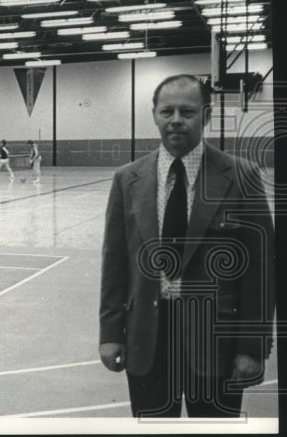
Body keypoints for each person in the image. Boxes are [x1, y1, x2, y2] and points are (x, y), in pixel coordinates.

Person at [99, 74, 275, 418]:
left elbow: (261, 269)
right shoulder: (127, 179)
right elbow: (115, 263)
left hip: (216, 340)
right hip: (146, 334)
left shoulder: (242, 176)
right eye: (167, 111)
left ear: (207, 115)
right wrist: (110, 332)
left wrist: (251, 347)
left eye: (187, 111)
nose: (176, 120)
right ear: (154, 114)